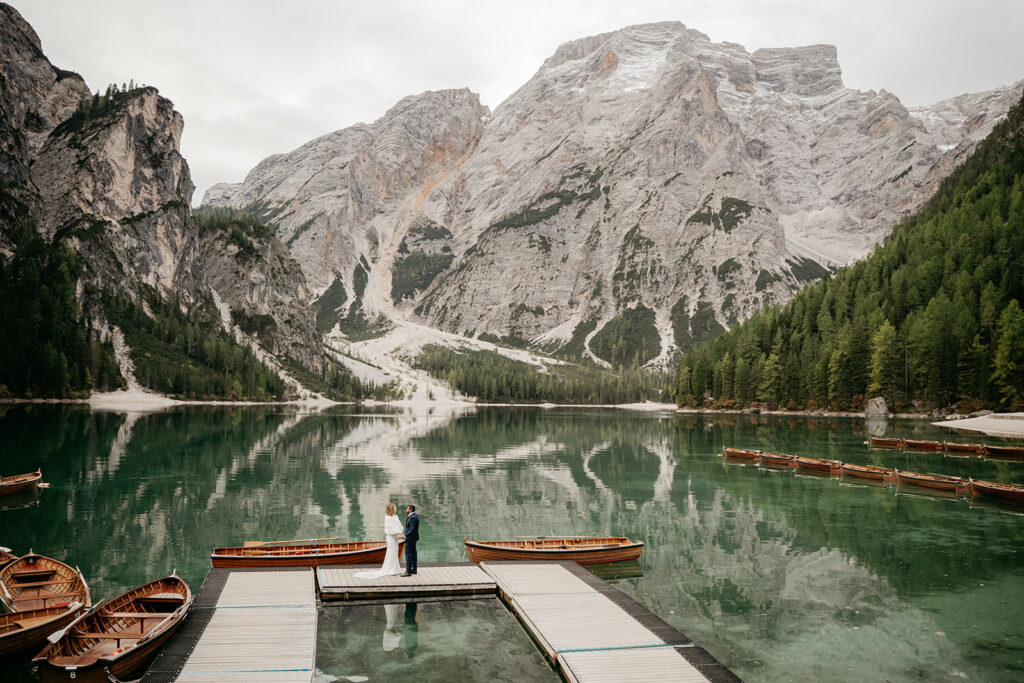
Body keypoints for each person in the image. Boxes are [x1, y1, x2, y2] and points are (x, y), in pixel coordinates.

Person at [355, 503, 404, 579]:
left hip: (395, 538)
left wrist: (399, 533)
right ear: (391, 509)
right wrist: (398, 533)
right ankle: (390, 569)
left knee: (394, 553)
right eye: (395, 508)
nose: (396, 509)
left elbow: (399, 526)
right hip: (391, 538)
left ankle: (395, 569)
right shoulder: (388, 518)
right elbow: (390, 529)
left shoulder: (395, 517)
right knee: (391, 553)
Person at [401, 504, 419, 576]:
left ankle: (408, 571)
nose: (406, 510)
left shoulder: (412, 518)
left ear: (410, 510)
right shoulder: (415, 516)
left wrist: (405, 535)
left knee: (408, 554)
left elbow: (412, 529)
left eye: (407, 509)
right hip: (414, 538)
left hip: (410, 539)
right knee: (413, 553)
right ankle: (414, 569)